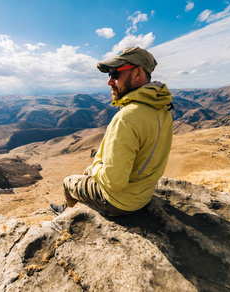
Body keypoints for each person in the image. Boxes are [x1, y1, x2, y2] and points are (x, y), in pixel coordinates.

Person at [50, 46, 173, 216]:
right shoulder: (162, 106)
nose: (109, 81)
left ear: (137, 73)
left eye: (115, 74)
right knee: (87, 172)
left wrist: (96, 166)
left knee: (68, 181)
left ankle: (66, 213)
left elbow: (114, 182)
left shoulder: (127, 118)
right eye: (109, 74)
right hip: (143, 193)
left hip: (120, 201)